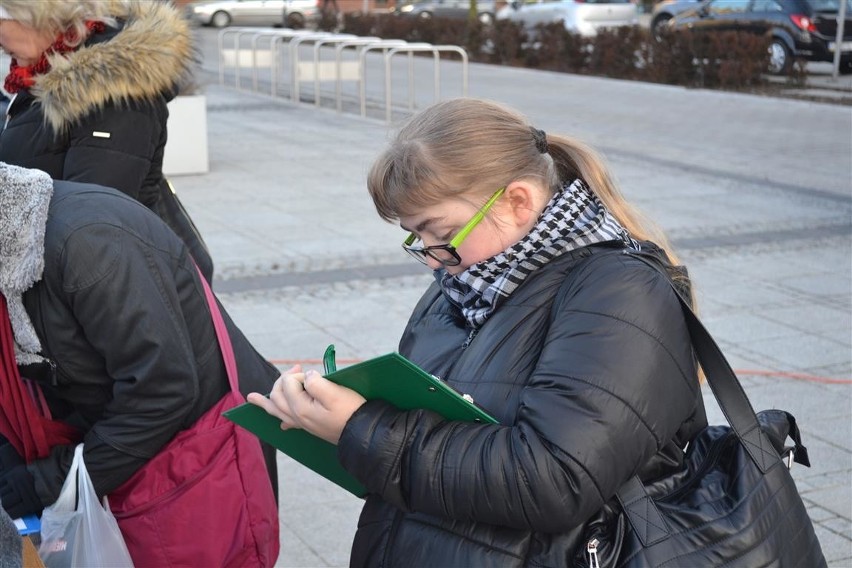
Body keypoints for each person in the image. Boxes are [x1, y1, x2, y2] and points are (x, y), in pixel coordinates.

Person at [248, 98, 708, 566]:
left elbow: (556, 479)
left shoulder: (620, 291)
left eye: (439, 231)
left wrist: (362, 428)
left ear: (518, 201)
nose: (431, 256)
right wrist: (331, 420)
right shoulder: (465, 278)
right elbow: (427, 430)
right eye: (416, 237)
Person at [0, 162, 279, 564]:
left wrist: (52, 480)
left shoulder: (89, 244)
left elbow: (162, 392)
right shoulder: (17, 251)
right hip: (131, 445)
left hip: (194, 452)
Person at [0, 0, 214, 281]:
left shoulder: (109, 93)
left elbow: (91, 234)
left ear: (40, 15)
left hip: (127, 300)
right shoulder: (44, 75)